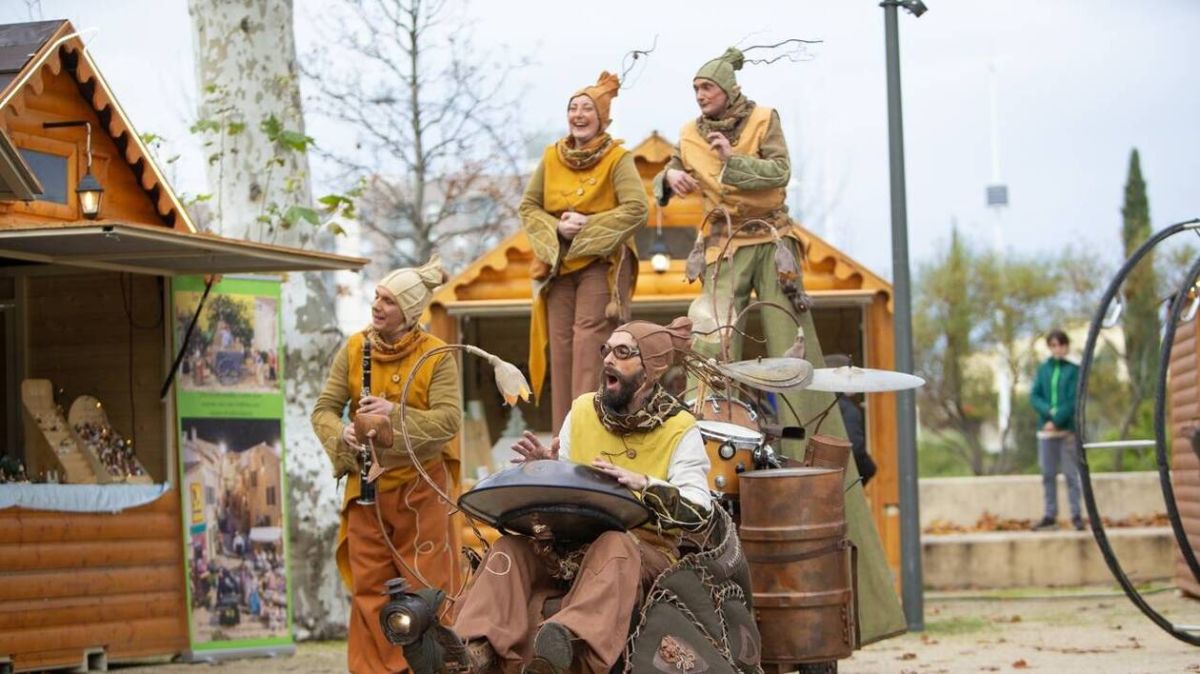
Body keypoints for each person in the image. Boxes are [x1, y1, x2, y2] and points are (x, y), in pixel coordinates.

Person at [653, 46, 908, 644]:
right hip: (719, 248)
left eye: (706, 89)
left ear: (725, 88)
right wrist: (671, 180)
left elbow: (778, 177)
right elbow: (670, 174)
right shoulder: (689, 133)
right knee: (706, 343)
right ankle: (697, 442)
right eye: (694, 91)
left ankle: (802, 458)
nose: (699, 99)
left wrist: (731, 164)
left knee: (797, 368)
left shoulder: (763, 119)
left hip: (767, 244)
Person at [454, 318, 710, 674]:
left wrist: (643, 484)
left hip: (642, 553)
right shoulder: (583, 411)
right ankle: (473, 651)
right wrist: (548, 467)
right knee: (509, 548)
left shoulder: (680, 429)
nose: (608, 359)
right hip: (571, 546)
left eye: (623, 352)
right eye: (606, 350)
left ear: (650, 370)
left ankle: (567, 648)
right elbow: (568, 483)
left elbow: (699, 509)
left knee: (615, 543)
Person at [311, 255, 463, 674]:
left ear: (411, 312)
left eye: (389, 301)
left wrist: (393, 414)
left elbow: (449, 422)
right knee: (370, 593)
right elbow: (324, 409)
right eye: (377, 296)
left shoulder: (436, 355)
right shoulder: (356, 346)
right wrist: (340, 434)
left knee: (427, 593)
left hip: (421, 491)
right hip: (367, 491)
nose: (377, 305)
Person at [522, 71, 649, 434]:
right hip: (559, 265)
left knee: (588, 342)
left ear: (603, 118)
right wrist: (557, 229)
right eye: (573, 108)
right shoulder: (550, 158)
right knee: (560, 348)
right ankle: (563, 435)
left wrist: (589, 225)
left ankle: (586, 430)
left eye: (587, 109)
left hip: (602, 264)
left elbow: (637, 208)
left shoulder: (618, 159)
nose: (578, 115)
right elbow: (529, 206)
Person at [1030, 329, 1083, 531]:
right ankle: (1050, 515)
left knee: (1071, 475)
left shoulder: (1073, 370)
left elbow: (1073, 400)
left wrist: (1057, 419)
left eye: (1061, 344)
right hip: (1046, 431)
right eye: (1053, 345)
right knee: (1048, 474)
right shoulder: (1043, 370)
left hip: (1067, 431)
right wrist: (1048, 414)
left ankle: (1076, 515)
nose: (1057, 348)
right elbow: (1035, 396)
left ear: (1066, 346)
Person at [825, 354, 877, 487]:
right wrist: (870, 469)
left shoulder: (818, 404)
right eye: (852, 375)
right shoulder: (849, 410)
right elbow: (855, 450)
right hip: (841, 482)